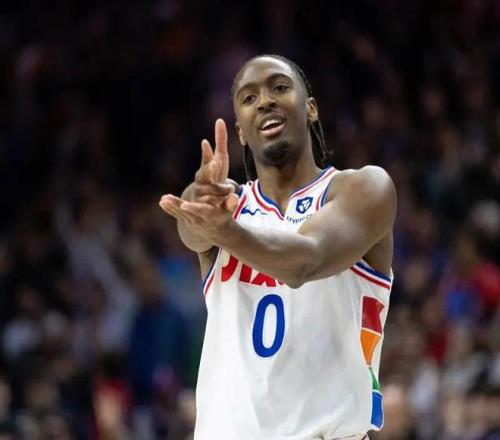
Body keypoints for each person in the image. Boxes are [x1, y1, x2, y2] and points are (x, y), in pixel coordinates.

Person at [159, 54, 396, 440]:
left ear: (311, 109)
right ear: (240, 132)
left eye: (280, 88)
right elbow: (192, 232)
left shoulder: (364, 189)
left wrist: (226, 231)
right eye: (249, 98)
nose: (265, 101)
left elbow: (305, 260)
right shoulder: (226, 207)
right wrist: (198, 201)